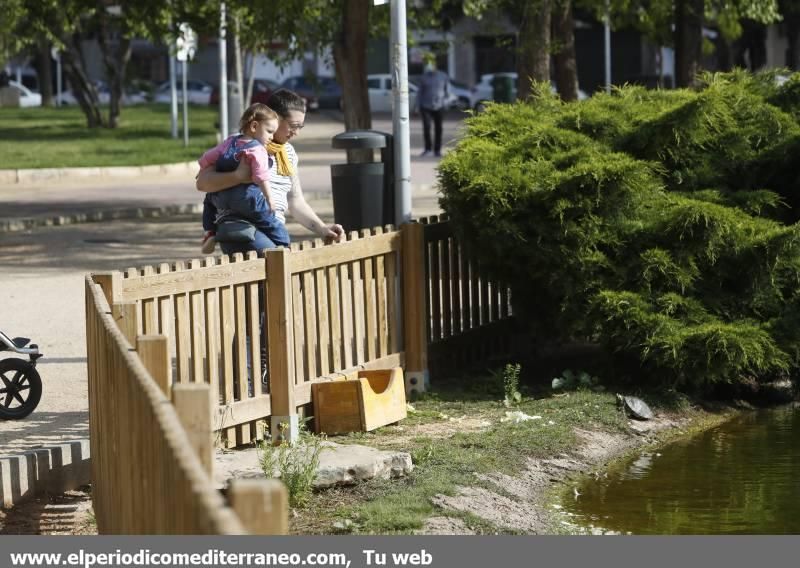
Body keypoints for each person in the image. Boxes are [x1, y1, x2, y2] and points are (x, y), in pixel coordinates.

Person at [196, 89, 343, 255]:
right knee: (280, 263)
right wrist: (237, 176)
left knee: (282, 266)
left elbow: (295, 202)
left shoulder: (288, 153)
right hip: (242, 227)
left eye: (300, 126)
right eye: (293, 126)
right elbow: (202, 182)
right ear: (275, 119)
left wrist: (323, 229)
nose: (296, 132)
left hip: (270, 226)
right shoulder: (241, 143)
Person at [199, 103, 289, 254]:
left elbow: (209, 156)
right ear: (254, 126)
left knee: (208, 202)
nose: (271, 137)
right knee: (270, 220)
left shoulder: (229, 143)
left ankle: (210, 232)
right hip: (246, 199)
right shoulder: (256, 148)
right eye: (269, 132)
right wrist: (269, 198)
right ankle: (285, 245)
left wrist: (202, 167)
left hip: (221, 198)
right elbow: (261, 176)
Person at [416, 55, 449, 157]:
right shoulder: (424, 77)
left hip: (439, 106)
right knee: (427, 127)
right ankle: (427, 149)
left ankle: (437, 150)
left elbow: (447, 91)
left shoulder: (443, 76)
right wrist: (417, 106)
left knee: (438, 128)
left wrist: (446, 103)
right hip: (425, 106)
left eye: (433, 64)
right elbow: (419, 93)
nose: (431, 66)